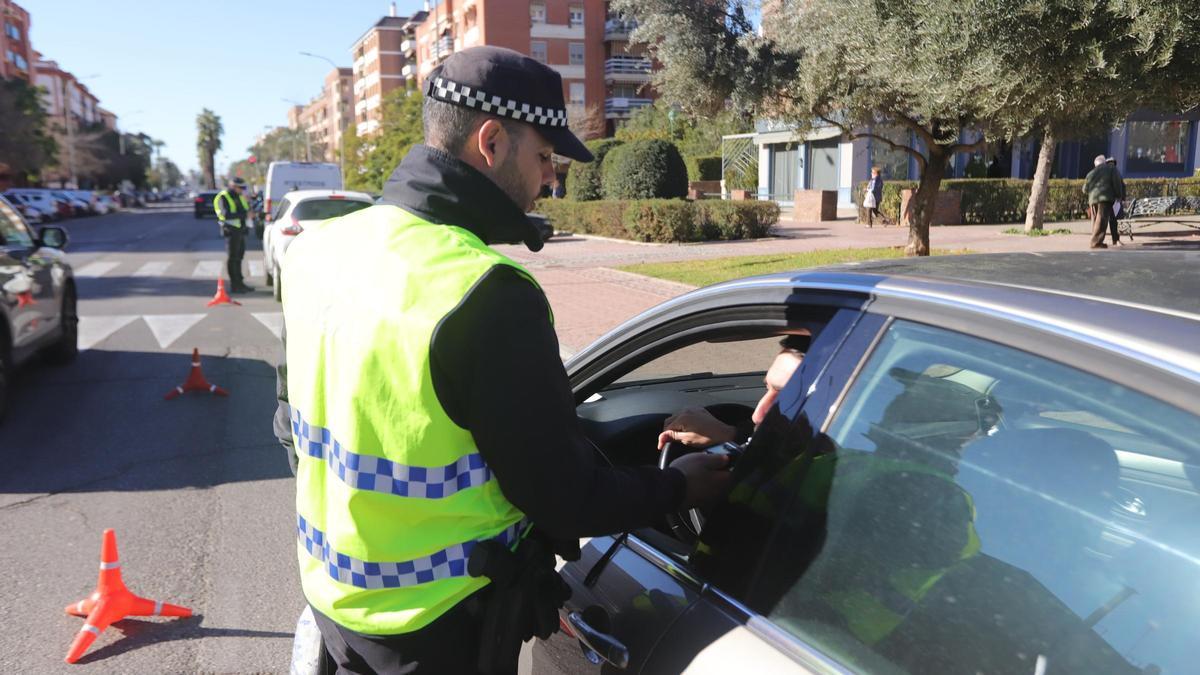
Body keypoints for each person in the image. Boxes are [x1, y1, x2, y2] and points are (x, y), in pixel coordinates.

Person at [274, 46, 731, 674]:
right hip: (439, 624)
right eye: (544, 156)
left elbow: (290, 420)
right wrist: (681, 483)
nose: (550, 178)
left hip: (332, 600)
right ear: (491, 142)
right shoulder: (484, 293)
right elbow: (565, 496)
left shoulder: (320, 250)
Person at [213, 177, 254, 292]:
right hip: (231, 231)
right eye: (241, 188)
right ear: (233, 186)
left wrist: (249, 211)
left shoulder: (239, 196)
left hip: (240, 230)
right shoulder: (223, 197)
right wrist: (245, 215)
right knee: (233, 258)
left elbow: (245, 209)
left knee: (239, 257)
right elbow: (225, 215)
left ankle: (240, 283)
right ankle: (234, 285)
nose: (242, 190)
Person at [1082, 154, 1119, 249]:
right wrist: (1119, 195)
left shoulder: (1090, 173)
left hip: (1093, 200)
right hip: (1105, 198)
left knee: (1095, 221)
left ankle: (1096, 240)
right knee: (1102, 221)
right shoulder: (1111, 169)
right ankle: (1096, 242)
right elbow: (1116, 182)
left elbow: (1084, 189)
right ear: (1104, 162)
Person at [1106, 156, 1127, 245]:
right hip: (1114, 201)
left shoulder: (1114, 173)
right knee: (1114, 220)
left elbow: (1121, 186)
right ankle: (1115, 239)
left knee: (1115, 220)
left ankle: (1116, 239)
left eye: (1112, 163)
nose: (1111, 165)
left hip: (1115, 201)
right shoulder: (1115, 172)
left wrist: (1121, 197)